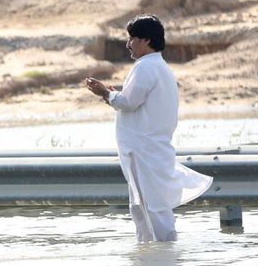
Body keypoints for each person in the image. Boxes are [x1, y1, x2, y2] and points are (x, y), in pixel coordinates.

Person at [83, 15, 212, 242]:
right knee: (144, 207)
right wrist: (113, 96)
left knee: (153, 208)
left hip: (143, 150)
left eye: (132, 38)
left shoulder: (146, 67)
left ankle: (163, 257)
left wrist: (105, 93)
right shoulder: (158, 67)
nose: (128, 44)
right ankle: (151, 256)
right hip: (148, 148)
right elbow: (133, 101)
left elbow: (128, 102)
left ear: (146, 40)